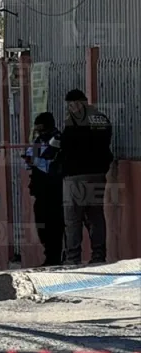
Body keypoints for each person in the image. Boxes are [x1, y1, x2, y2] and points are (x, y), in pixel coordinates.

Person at [53, 90, 113, 264]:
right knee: (96, 217)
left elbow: (65, 144)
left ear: (77, 104)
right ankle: (99, 256)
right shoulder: (102, 118)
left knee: (73, 219)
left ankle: (72, 259)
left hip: (76, 176)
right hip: (98, 175)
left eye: (71, 105)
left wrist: (55, 144)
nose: (70, 109)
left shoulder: (74, 121)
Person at [23, 112, 64, 267]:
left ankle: (56, 257)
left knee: (56, 226)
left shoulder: (58, 139)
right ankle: (50, 256)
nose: (40, 132)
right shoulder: (38, 141)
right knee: (42, 226)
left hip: (55, 191)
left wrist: (38, 161)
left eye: (42, 128)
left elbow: (52, 163)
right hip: (41, 192)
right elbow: (28, 161)